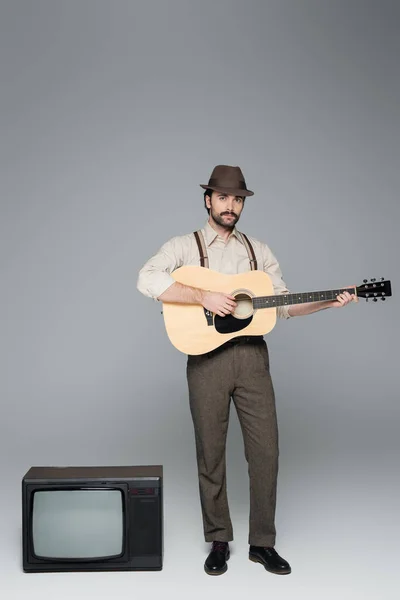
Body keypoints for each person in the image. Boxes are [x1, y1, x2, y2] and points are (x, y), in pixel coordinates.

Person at [137, 164, 356, 576]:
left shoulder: (259, 252)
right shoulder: (185, 246)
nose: (230, 205)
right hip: (206, 359)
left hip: (253, 358)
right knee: (211, 452)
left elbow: (286, 305)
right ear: (208, 199)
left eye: (237, 199)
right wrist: (202, 296)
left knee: (266, 451)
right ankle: (219, 539)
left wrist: (330, 300)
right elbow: (147, 278)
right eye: (223, 197)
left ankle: (262, 543)